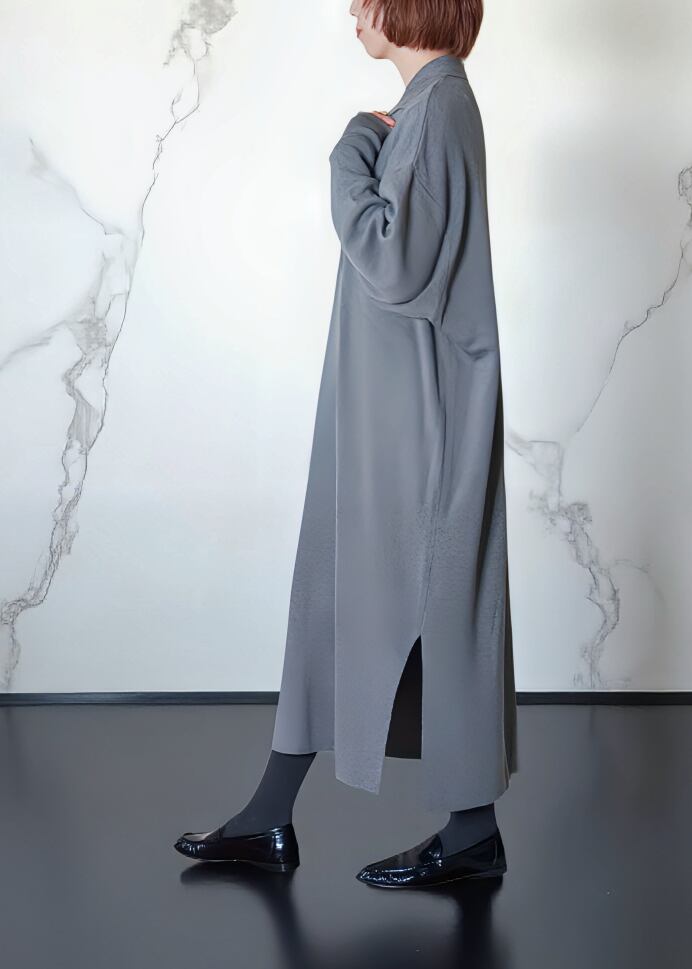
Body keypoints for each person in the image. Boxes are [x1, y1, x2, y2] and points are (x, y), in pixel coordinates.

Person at [175, 0, 518, 889]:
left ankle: (470, 832)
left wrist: (348, 152)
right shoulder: (426, 108)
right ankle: (271, 815)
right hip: (387, 418)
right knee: (336, 595)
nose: (353, 12)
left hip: (420, 426)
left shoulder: (436, 109)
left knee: (437, 610)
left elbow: (397, 265)